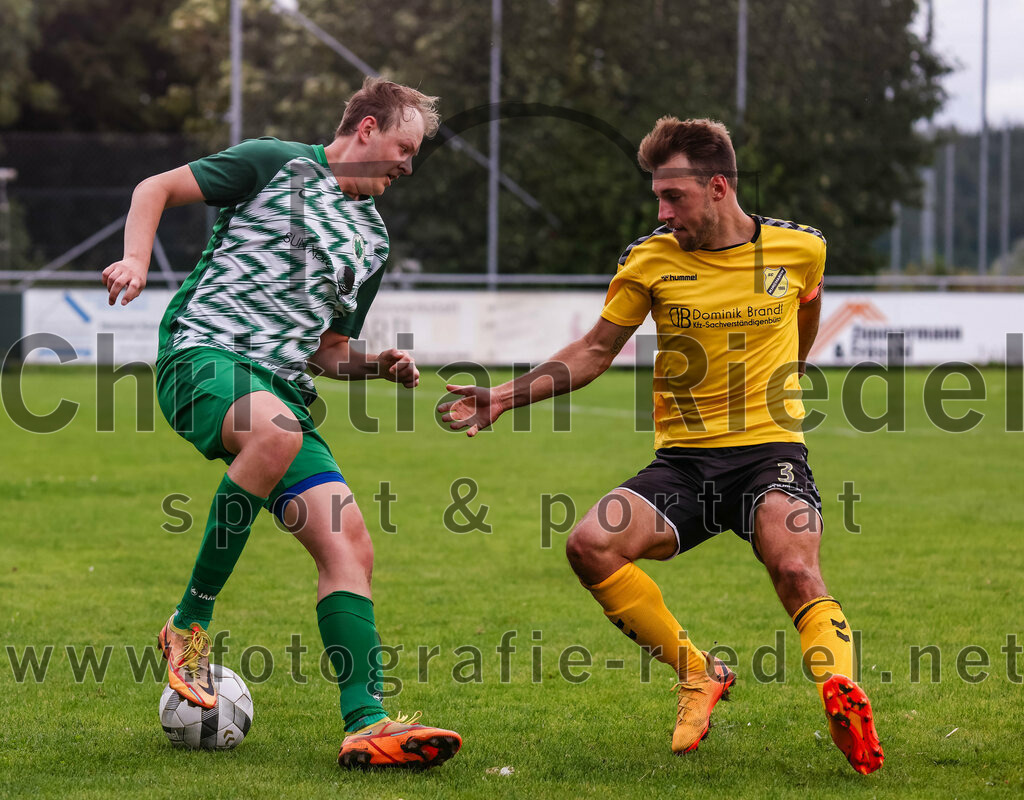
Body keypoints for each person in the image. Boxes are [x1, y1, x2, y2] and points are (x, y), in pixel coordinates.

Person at [438, 117, 883, 775]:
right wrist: (503, 396)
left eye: (674, 197)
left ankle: (842, 694)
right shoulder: (650, 259)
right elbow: (594, 351)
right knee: (590, 544)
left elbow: (804, 314)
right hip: (686, 464)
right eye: (658, 197)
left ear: (720, 185)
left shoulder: (800, 249)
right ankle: (699, 672)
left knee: (794, 567)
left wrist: (783, 377)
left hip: (770, 452)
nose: (662, 210)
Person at [103, 77, 461, 770]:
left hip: (281, 391)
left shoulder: (372, 241)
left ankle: (367, 722)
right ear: (365, 128)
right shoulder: (275, 163)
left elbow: (325, 350)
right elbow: (154, 189)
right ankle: (190, 624)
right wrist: (136, 258)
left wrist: (375, 364)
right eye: (404, 146)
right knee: (275, 432)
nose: (408, 164)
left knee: (351, 548)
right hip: (203, 356)